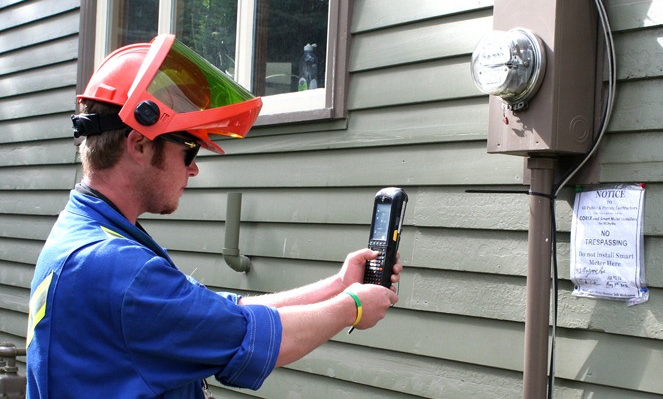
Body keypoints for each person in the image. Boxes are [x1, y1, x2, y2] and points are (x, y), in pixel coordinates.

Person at [25, 34, 401, 398]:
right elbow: (253, 336)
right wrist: (351, 308)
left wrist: (338, 285)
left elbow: (219, 316)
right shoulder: (117, 268)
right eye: (189, 150)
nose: (194, 169)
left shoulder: (87, 235)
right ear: (139, 144)